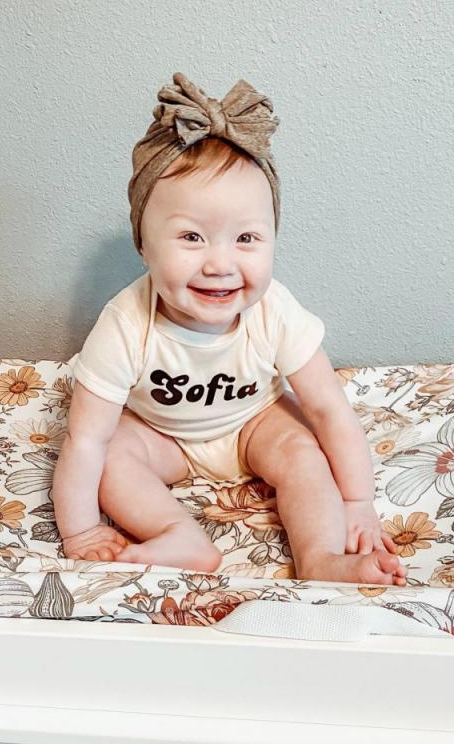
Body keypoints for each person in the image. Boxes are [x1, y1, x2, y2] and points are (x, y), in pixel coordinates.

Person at [51, 72, 407, 585]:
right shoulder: (125, 322)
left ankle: (321, 558)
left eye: (246, 238)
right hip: (162, 435)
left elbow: (329, 408)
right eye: (192, 237)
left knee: (303, 451)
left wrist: (358, 501)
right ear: (144, 246)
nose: (220, 264)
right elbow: (84, 439)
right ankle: (181, 536)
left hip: (252, 425)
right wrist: (80, 532)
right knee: (109, 453)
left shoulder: (275, 311)